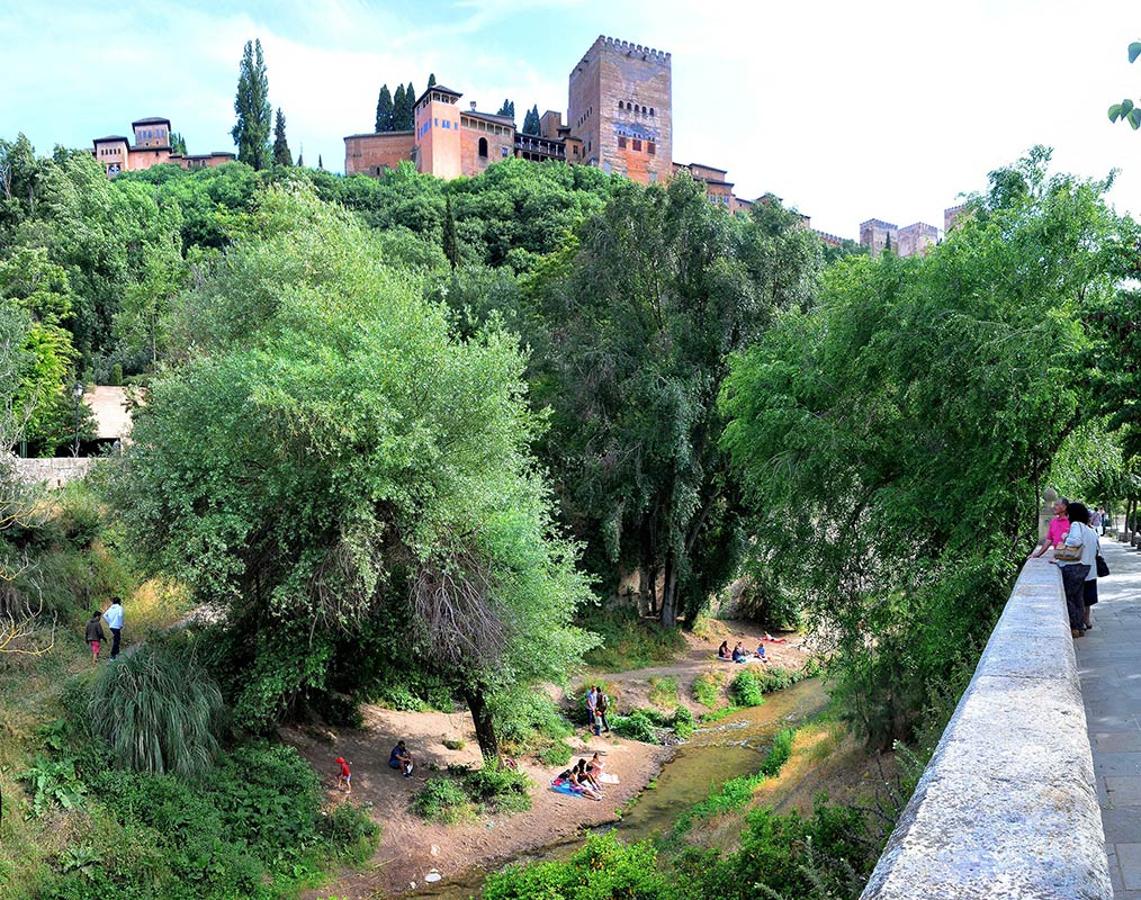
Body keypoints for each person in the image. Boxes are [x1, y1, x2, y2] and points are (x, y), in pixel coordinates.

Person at [1055, 502, 1099, 638]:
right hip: (1086, 568)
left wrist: (1065, 538)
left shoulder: (1075, 525)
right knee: (1079, 598)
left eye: (1068, 514)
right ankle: (1079, 626)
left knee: (1069, 597)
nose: (1067, 517)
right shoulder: (1091, 530)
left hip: (1074, 567)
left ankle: (1074, 627)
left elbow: (1074, 542)